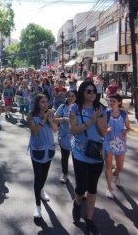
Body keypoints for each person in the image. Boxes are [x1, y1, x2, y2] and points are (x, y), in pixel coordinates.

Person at [69, 82, 107, 233]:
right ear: (82, 93)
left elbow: (103, 133)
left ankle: (89, 218)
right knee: (81, 187)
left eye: (94, 91)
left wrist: (97, 119)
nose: (92, 93)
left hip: (96, 153)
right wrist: (90, 120)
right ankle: (77, 203)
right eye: (88, 91)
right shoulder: (74, 108)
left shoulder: (101, 109)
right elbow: (73, 130)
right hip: (79, 152)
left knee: (92, 187)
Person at [28, 94, 58, 224]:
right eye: (42, 102)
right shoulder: (31, 115)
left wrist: (50, 119)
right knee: (37, 177)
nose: (45, 104)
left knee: (44, 175)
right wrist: (43, 119)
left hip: (49, 148)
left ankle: (41, 189)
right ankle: (38, 206)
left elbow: (55, 129)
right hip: (37, 149)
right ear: (37, 104)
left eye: (46, 102)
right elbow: (34, 132)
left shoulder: (51, 112)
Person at [103, 94, 130, 198]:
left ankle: (116, 174)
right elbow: (101, 128)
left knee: (120, 166)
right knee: (109, 166)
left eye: (113, 101)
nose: (111, 103)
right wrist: (106, 130)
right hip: (108, 142)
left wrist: (125, 131)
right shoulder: (106, 113)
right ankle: (109, 188)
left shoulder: (123, 114)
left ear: (119, 102)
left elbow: (128, 127)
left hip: (120, 143)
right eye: (110, 101)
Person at [54, 90, 77, 183]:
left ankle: (78, 178)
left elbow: (77, 120)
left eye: (73, 96)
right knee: (64, 157)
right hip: (63, 136)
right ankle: (65, 174)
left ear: (76, 97)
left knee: (77, 159)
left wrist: (64, 119)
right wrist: (61, 119)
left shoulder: (79, 108)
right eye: (69, 96)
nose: (70, 98)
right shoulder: (62, 106)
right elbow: (55, 118)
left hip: (76, 136)